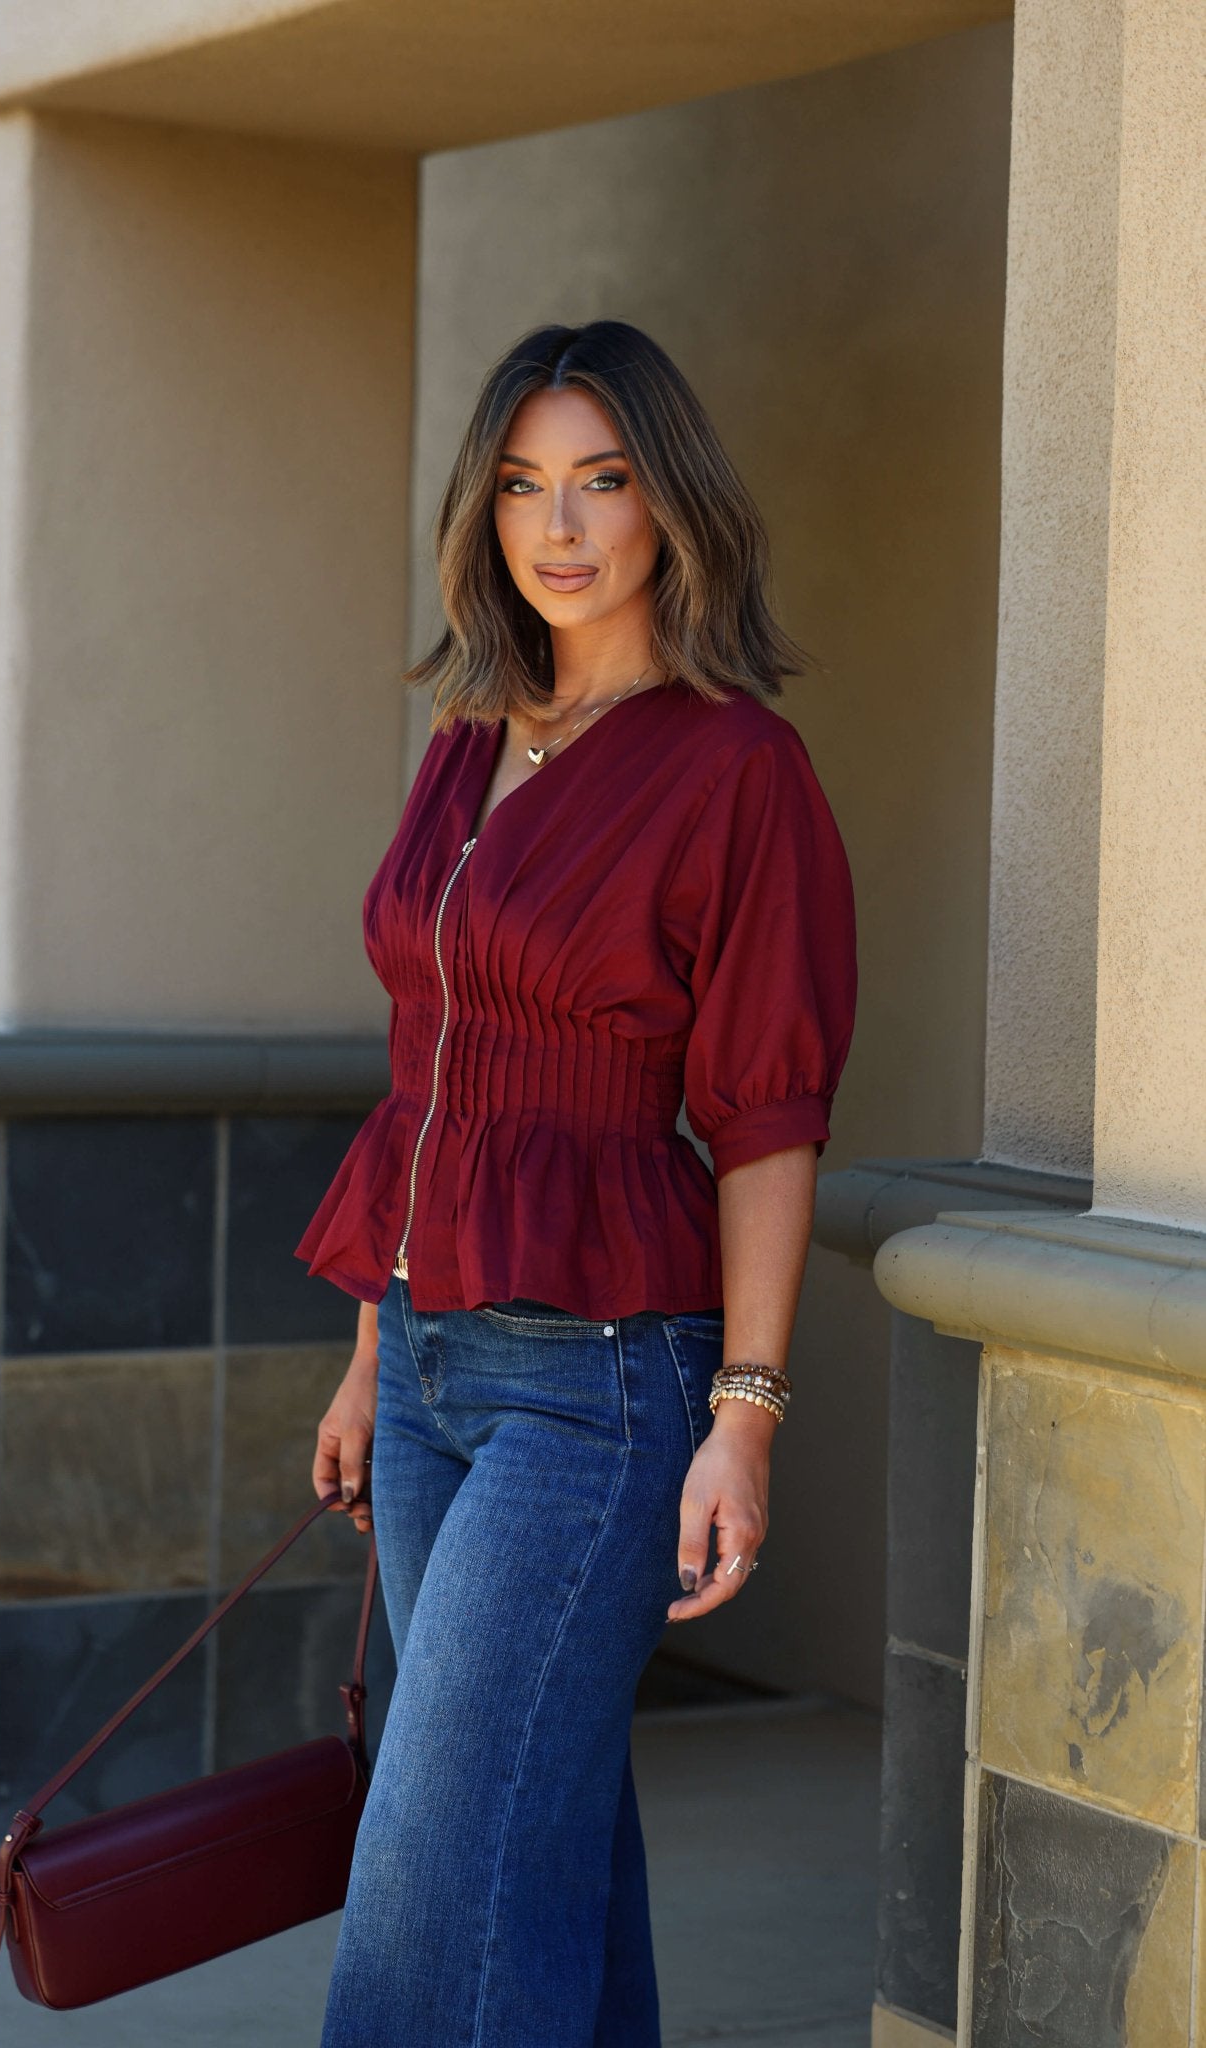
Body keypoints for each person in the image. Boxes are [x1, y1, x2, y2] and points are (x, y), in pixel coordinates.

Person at [294, 319, 857, 2048]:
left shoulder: (736, 768)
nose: (560, 526)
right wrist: (373, 1351)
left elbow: (765, 1120)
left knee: (433, 1871)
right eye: (523, 485)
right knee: (538, 1842)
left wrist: (745, 1416)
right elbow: (424, 1073)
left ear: (667, 504)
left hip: (599, 1392)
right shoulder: (470, 736)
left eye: (601, 481)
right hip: (428, 1370)